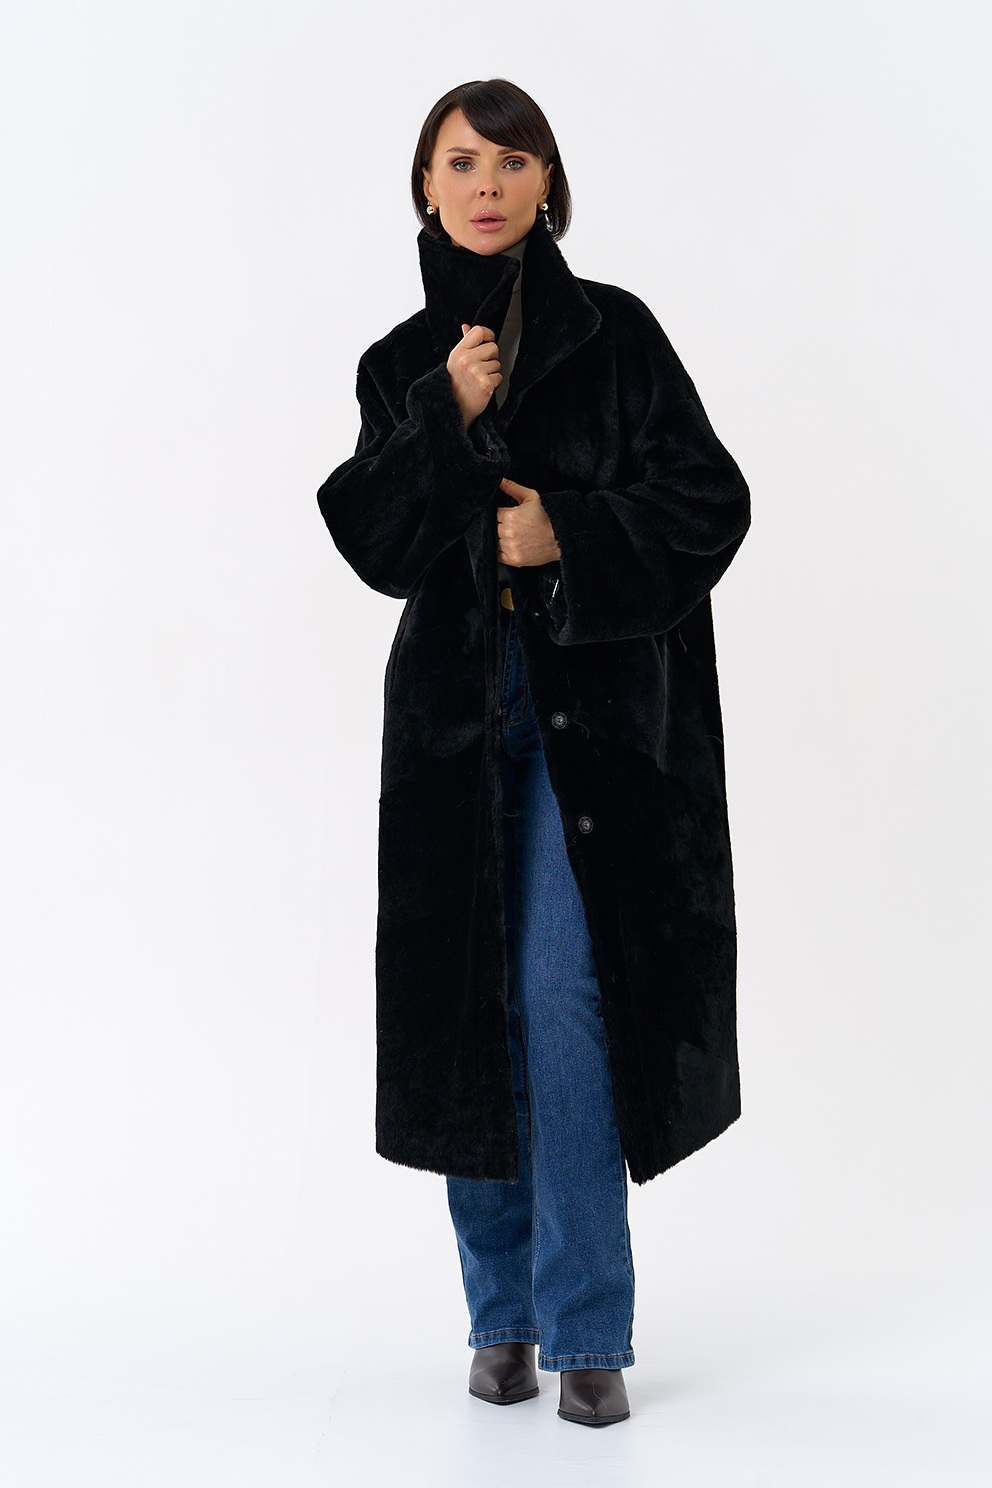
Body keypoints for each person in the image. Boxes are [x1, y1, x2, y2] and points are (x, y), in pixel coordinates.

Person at [317, 78, 750, 1428]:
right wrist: (441, 418)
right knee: (471, 1009)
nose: (487, 185)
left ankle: (587, 1329)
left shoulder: (616, 334)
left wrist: (569, 531)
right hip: (454, 729)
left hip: (597, 725)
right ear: (425, 187)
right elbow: (373, 541)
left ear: (549, 183)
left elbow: (711, 500)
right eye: (461, 162)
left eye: (512, 161)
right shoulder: (401, 363)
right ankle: (499, 1320)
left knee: (563, 1000)